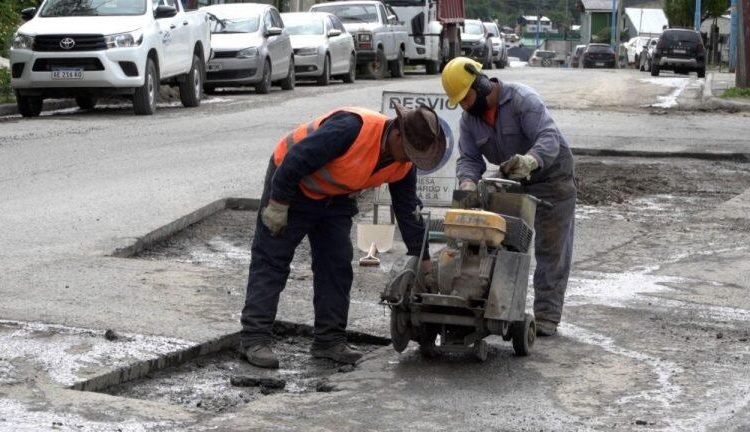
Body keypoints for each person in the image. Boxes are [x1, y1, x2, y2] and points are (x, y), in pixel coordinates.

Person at [238, 104, 446, 368]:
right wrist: (278, 204)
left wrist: (424, 264)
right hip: (292, 185)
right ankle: (254, 339)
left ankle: (328, 341)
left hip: (335, 200)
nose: (408, 161)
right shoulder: (351, 129)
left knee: (336, 265)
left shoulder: (403, 165)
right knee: (272, 260)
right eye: (409, 153)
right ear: (397, 135)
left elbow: (408, 212)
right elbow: (294, 160)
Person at [440, 56, 576, 337]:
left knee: (551, 249)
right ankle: (491, 307)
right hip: (511, 181)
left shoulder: (522, 100)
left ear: (480, 84)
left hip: (551, 177)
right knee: (497, 240)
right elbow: (468, 158)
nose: (464, 106)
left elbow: (548, 137)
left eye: (466, 98)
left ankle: (547, 316)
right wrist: (467, 183)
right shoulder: (469, 120)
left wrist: (530, 160)